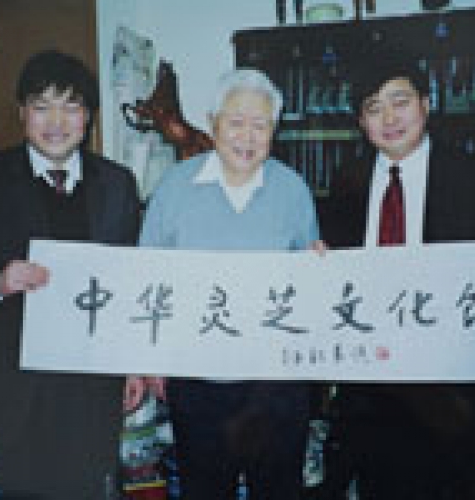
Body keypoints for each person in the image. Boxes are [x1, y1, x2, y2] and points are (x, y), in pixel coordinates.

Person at [318, 57, 475, 499]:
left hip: (451, 383)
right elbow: (335, 270)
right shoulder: (347, 181)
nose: (390, 118)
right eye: (374, 108)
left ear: (426, 104)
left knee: (452, 486)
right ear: (360, 122)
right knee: (380, 486)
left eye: (401, 102)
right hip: (372, 380)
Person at [0, 50, 140, 499]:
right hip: (14, 388)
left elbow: (130, 281)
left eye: (71, 107)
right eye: (42, 106)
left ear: (88, 116)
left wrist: (134, 365)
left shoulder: (117, 184)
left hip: (93, 385)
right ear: (22, 113)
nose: (56, 122)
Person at [124, 68, 320, 500]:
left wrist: (319, 269)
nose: (247, 136)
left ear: (273, 132)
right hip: (199, 381)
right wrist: (146, 359)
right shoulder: (175, 187)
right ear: (213, 124)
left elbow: (308, 286)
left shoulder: (293, 190)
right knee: (204, 489)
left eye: (260, 125)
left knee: (278, 490)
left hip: (276, 383)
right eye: (236, 122)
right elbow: (146, 276)